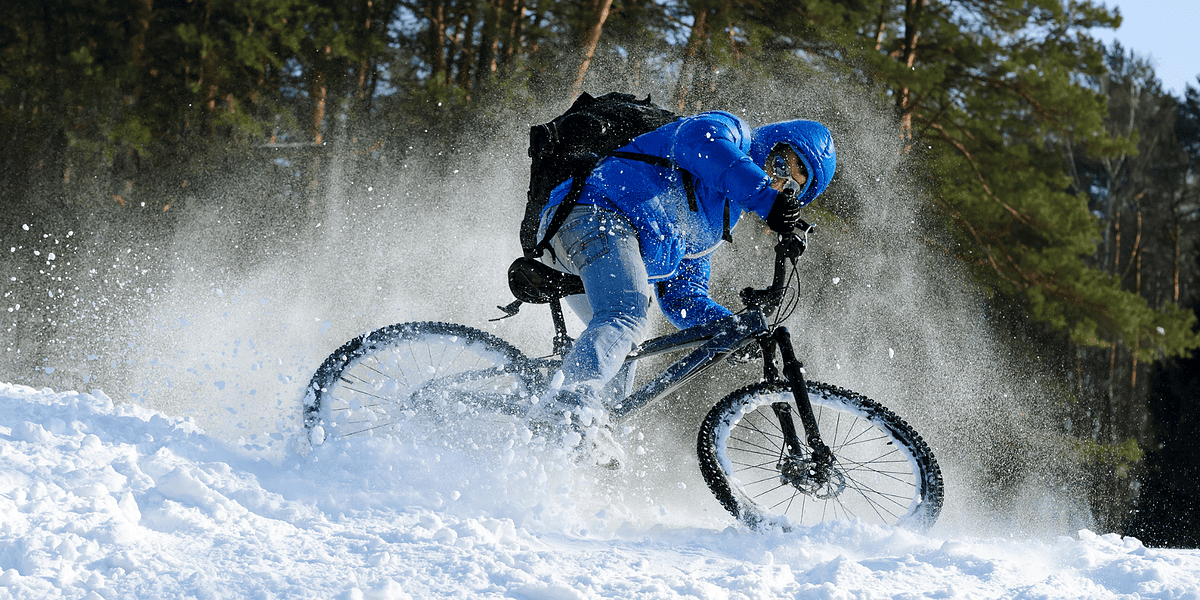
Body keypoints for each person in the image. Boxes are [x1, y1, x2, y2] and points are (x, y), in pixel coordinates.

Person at [535, 109, 837, 468]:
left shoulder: (715, 221)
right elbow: (701, 146)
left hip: (599, 243)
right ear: (772, 143)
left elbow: (682, 297)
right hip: (592, 212)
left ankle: (569, 444)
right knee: (627, 314)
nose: (775, 179)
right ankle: (568, 405)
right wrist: (764, 198)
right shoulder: (726, 132)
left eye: (789, 186)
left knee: (625, 349)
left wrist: (730, 328)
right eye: (783, 164)